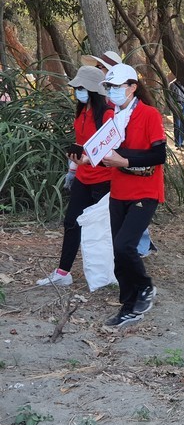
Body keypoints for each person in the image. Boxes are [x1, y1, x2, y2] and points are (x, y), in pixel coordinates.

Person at [99, 64, 166, 326]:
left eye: (117, 87)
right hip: (119, 190)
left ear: (132, 87)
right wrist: (84, 158)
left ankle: (145, 287)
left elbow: (158, 155)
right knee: (118, 251)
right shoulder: (110, 117)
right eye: (109, 87)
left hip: (146, 190)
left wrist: (124, 161)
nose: (112, 92)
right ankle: (128, 303)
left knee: (125, 245)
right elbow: (103, 150)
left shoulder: (149, 115)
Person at [36, 66, 114, 286]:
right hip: (82, 177)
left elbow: (110, 149)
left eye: (81, 87)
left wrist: (90, 158)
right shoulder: (81, 111)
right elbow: (81, 143)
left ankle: (111, 274)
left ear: (92, 90)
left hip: (104, 180)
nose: (77, 91)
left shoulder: (107, 115)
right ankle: (63, 273)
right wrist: (72, 168)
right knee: (71, 222)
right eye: (76, 87)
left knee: (103, 229)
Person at [82, 50, 156, 258]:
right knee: (123, 231)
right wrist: (90, 157)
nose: (100, 71)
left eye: (102, 68)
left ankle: (139, 252)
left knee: (130, 229)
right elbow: (105, 141)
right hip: (117, 177)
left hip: (137, 181)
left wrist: (124, 160)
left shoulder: (144, 113)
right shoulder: (111, 108)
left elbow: (153, 153)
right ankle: (131, 254)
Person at [170, 79, 184, 149]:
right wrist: (174, 105)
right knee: (177, 124)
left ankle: (182, 142)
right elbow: (170, 96)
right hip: (176, 104)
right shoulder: (172, 84)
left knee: (183, 123)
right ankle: (178, 143)